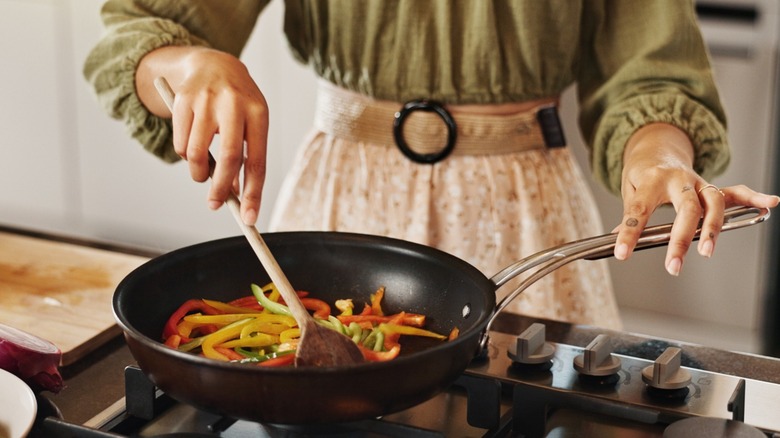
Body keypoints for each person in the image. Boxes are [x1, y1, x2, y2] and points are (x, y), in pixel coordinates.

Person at [84, 1, 779, 330]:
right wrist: (189, 64)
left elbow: (651, 79)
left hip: (526, 222)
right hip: (341, 208)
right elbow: (145, 31)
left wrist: (658, 157)